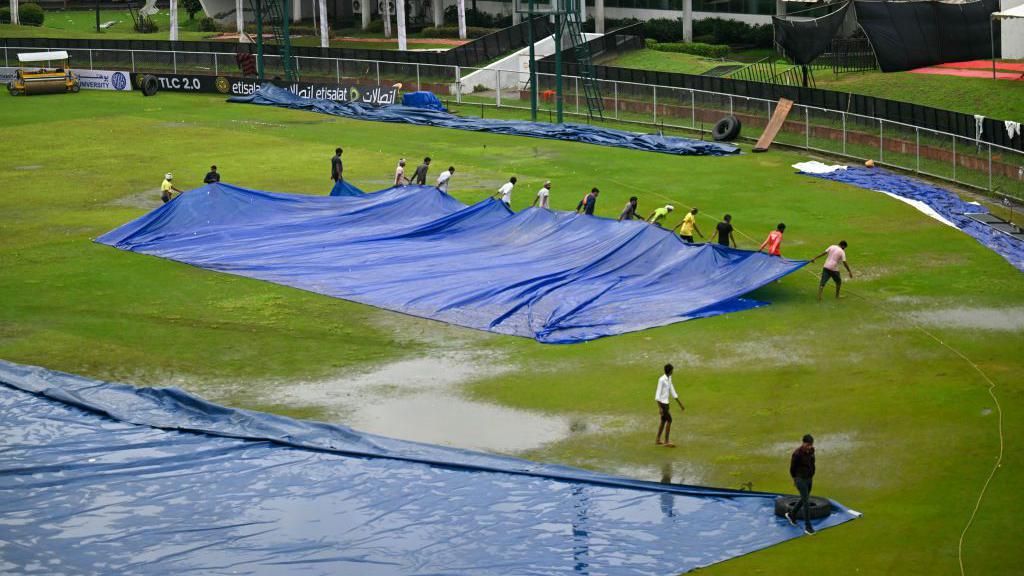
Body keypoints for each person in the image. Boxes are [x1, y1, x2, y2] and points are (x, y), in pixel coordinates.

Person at [786, 434, 817, 535]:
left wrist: (812, 474)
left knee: (805, 498)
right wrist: (795, 479)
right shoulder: (797, 454)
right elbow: (792, 468)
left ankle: (792, 514)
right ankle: (808, 526)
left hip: (809, 478)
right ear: (803, 443)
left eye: (811, 445)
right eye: (808, 444)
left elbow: (812, 463)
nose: (809, 446)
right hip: (800, 479)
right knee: (806, 502)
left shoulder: (812, 451)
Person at [655, 364, 685, 447]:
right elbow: (657, 394)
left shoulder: (669, 378)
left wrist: (679, 403)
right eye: (672, 370)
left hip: (666, 403)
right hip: (662, 404)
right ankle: (666, 441)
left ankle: (657, 440)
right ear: (670, 371)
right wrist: (660, 408)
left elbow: (672, 390)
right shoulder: (661, 380)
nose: (673, 371)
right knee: (669, 420)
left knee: (663, 421)